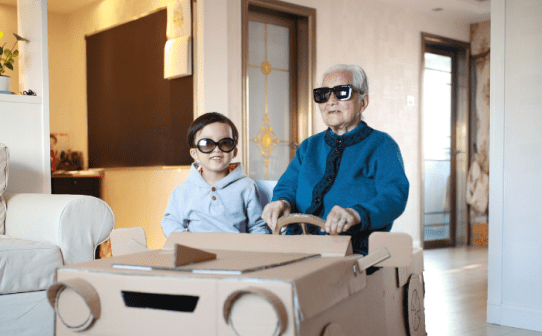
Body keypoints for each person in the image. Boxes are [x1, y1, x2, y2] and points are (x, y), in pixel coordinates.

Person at [261, 64, 409, 254]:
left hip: (353, 252)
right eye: (323, 94)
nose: (331, 101)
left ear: (363, 102)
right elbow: (287, 185)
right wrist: (281, 202)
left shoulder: (382, 145)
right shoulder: (308, 146)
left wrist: (356, 214)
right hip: (296, 247)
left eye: (342, 92)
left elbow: (394, 196)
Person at [161, 112, 270, 236]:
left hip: (236, 252)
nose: (217, 150)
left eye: (225, 143)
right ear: (194, 153)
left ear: (234, 152)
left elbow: (257, 227)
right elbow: (170, 221)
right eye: (207, 144)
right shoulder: (183, 191)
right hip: (199, 253)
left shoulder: (247, 187)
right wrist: (185, 240)